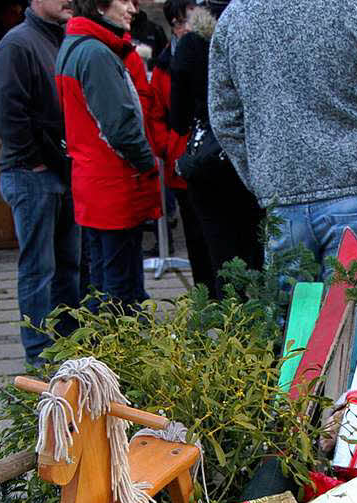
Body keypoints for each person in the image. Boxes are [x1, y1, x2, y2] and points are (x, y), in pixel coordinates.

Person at [208, 0, 357, 280]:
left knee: (293, 320)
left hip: (282, 190)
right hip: (355, 183)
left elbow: (224, 118)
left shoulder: (236, 16)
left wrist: (263, 172)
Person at [0, 0, 80, 363]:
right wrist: (36, 161)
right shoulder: (17, 44)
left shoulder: (62, 40)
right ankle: (40, 355)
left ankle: (71, 345)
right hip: (32, 175)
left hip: (61, 171)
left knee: (68, 267)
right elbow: (6, 112)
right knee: (39, 270)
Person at [55, 0, 160, 305]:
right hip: (113, 185)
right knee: (118, 288)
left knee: (101, 279)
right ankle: (118, 351)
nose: (133, 9)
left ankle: (104, 347)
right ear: (100, 6)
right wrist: (147, 164)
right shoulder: (96, 53)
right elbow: (120, 127)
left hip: (92, 182)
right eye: (124, 1)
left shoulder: (75, 47)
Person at [169, 0, 261, 296]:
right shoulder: (256, 33)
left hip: (210, 165)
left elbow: (178, 118)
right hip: (255, 159)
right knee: (261, 256)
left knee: (221, 257)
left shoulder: (192, 44)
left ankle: (231, 330)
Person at [150, 0, 215, 292]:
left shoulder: (207, 49)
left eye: (188, 20)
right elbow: (158, 115)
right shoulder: (165, 62)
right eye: (178, 23)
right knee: (195, 238)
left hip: (211, 159)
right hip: (181, 160)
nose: (184, 28)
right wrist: (168, 147)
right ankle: (204, 294)